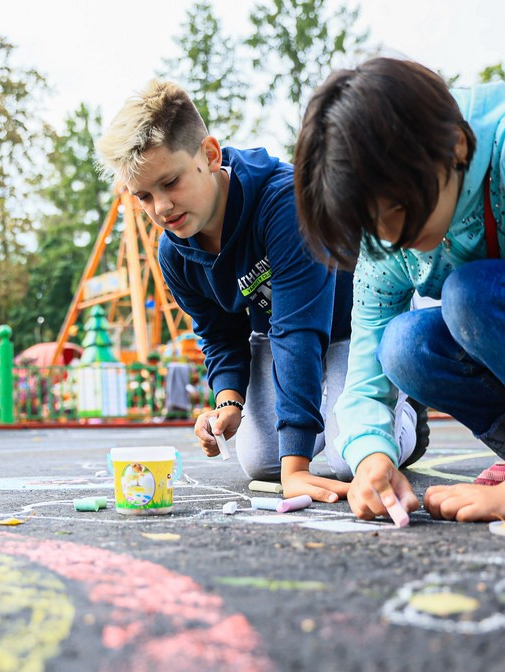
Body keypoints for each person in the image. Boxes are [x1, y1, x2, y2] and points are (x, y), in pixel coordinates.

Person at [293, 57, 505, 522]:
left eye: (395, 208)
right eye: (370, 223)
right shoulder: (385, 235)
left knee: (470, 296)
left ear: (452, 146)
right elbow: (366, 375)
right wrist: (372, 458)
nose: (389, 236)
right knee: (405, 346)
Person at [96, 80, 429, 502]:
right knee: (262, 462)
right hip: (277, 333)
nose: (161, 207)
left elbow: (299, 329)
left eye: (171, 182)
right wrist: (228, 401)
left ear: (210, 156)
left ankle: (407, 418)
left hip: (352, 322)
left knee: (351, 459)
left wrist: (298, 470)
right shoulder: (174, 252)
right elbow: (218, 334)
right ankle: (322, 427)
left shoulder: (285, 203)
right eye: (144, 195)